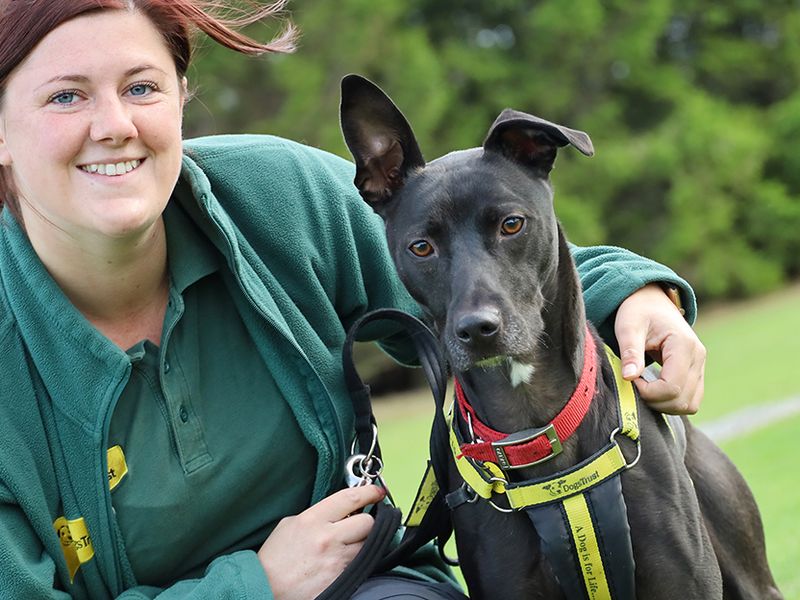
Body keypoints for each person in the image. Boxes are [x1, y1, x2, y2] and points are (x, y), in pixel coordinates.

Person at [0, 1, 706, 598]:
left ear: (181, 97)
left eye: (143, 87)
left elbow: (484, 266)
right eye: (67, 95)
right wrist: (255, 586)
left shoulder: (276, 197)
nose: (115, 123)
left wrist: (637, 294)